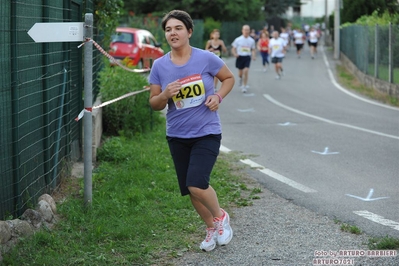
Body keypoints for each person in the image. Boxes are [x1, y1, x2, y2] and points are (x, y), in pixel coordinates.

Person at [148, 10, 234, 252]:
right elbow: (154, 103)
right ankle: (210, 228)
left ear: (189, 31)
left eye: (177, 28)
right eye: (168, 29)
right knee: (190, 190)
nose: (172, 33)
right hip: (177, 135)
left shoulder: (206, 58)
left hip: (206, 132)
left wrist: (217, 96)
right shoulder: (159, 66)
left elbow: (228, 78)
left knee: (197, 183)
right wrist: (165, 95)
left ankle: (220, 217)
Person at [231, 25, 256, 93]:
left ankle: (244, 86)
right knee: (240, 73)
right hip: (240, 57)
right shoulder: (238, 39)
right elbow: (233, 48)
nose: (246, 31)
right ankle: (240, 79)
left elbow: (253, 49)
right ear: (242, 31)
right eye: (245, 30)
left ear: (249, 31)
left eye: (247, 30)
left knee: (246, 71)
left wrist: (253, 56)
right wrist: (235, 54)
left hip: (247, 57)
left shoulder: (251, 40)